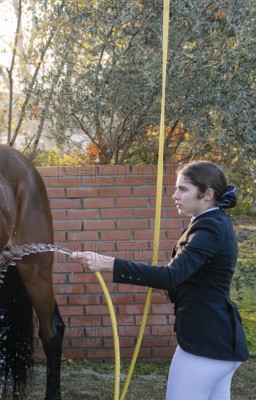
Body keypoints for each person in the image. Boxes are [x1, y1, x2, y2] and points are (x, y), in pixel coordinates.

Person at [70, 160, 249, 400]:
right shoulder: (214, 223)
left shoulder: (209, 229)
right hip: (220, 342)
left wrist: (107, 263)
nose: (175, 195)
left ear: (207, 194)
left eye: (183, 189)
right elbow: (193, 276)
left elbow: (171, 275)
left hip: (205, 345)